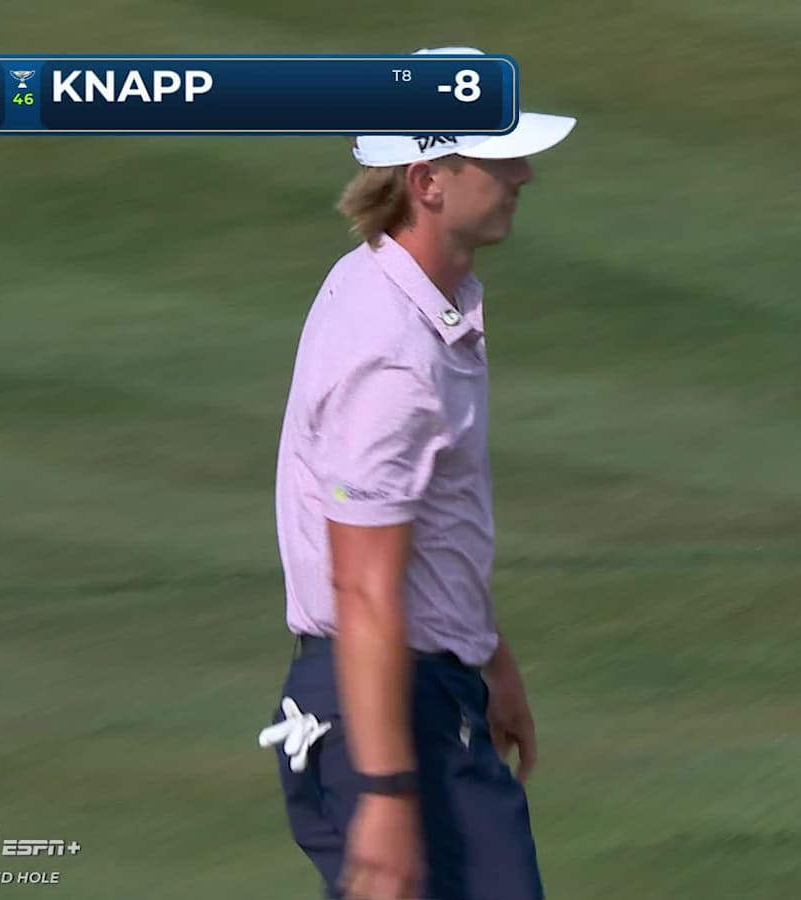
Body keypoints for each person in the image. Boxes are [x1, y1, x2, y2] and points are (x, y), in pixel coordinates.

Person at [258, 45, 576, 900]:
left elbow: (427, 531)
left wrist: (488, 655)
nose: (525, 173)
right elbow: (362, 587)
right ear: (429, 180)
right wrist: (387, 796)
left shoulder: (390, 290)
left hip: (418, 690)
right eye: (500, 156)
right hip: (390, 708)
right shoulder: (394, 359)